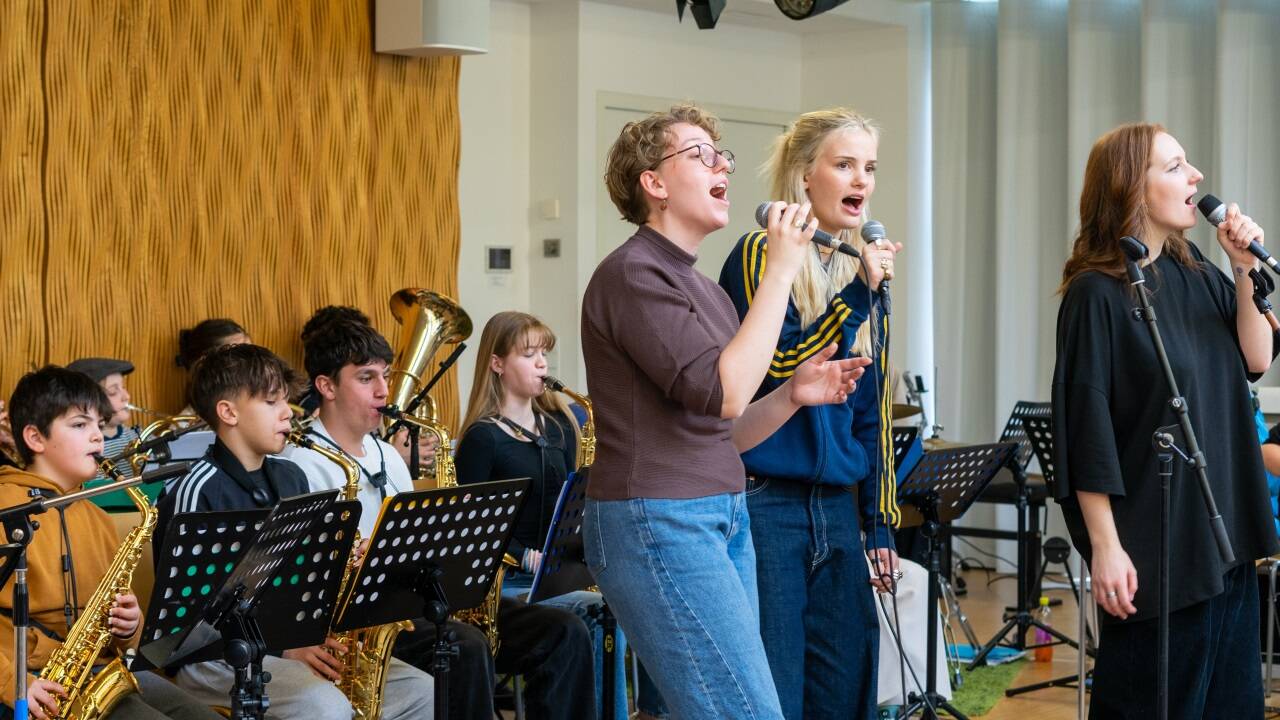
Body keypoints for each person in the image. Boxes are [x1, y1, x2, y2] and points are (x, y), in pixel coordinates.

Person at [581, 103, 870, 718]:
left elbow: (725, 429)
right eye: (700, 155)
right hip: (656, 520)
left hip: (719, 514)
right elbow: (725, 390)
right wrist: (782, 267)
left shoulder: (704, 289)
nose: (722, 167)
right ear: (653, 184)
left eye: (723, 156)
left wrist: (793, 394)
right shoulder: (633, 274)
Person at [1052, 122, 1278, 718]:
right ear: (1132, 187)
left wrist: (1240, 270)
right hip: (1156, 540)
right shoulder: (1096, 293)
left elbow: (1255, 358)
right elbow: (1085, 427)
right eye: (1175, 166)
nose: (1196, 177)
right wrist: (1105, 546)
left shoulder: (1198, 271)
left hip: (1226, 532)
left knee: (1230, 706)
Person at [286, 314, 593, 720]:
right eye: (366, 378)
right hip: (363, 621)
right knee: (464, 646)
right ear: (326, 386)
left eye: (385, 376)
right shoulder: (300, 464)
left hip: (417, 601)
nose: (384, 391)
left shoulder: (387, 454)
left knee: (564, 632)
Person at [717, 107, 902, 719]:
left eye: (869, 168)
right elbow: (779, 371)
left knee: (846, 687)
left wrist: (879, 522)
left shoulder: (856, 267)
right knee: (775, 688)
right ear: (803, 176)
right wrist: (857, 296)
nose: (861, 181)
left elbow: (869, 416)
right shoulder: (758, 255)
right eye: (844, 164)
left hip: (837, 511)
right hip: (768, 507)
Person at [155, 343, 434, 720]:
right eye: (272, 402)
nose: (289, 412)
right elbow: (185, 622)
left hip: (288, 644)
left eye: (285, 400)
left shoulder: (291, 476)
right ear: (228, 412)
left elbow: (304, 580)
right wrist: (282, 650)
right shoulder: (196, 488)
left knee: (422, 692)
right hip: (213, 659)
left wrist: (344, 564)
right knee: (325, 706)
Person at [0, 366, 222, 720]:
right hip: (31, 681)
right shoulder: (4, 509)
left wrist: (129, 626)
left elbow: (121, 634)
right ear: (35, 438)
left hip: (102, 671)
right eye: (79, 425)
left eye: (99, 425)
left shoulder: (98, 518)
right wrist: (13, 681)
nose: (98, 438)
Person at [454, 310, 635, 719]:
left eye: (544, 354)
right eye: (529, 353)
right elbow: (474, 533)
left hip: (558, 572)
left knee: (616, 609)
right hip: (510, 581)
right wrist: (522, 555)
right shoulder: (482, 439)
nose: (542, 364)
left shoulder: (560, 426)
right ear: (497, 364)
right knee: (591, 617)